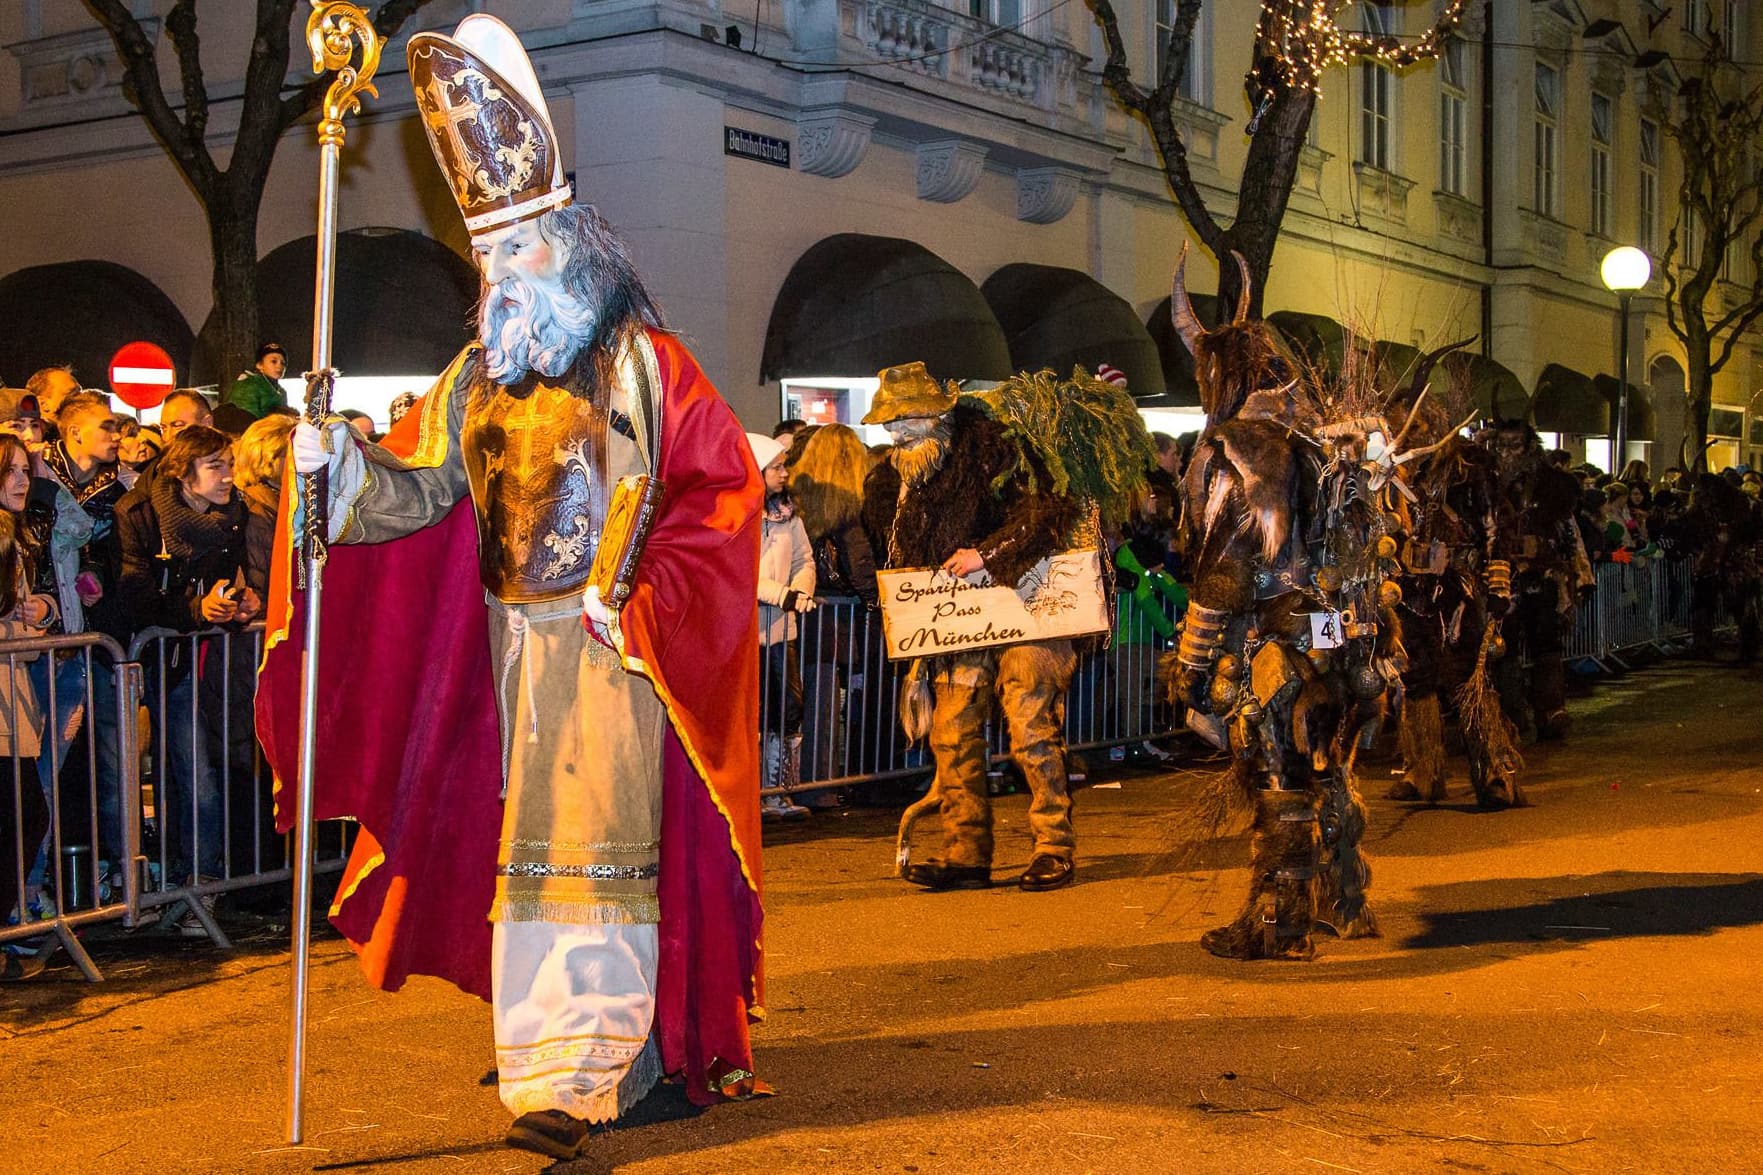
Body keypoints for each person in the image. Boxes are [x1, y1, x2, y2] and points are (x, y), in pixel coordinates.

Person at [268, 14, 765, 1160]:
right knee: (518, 847)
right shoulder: (473, 379)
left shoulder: (642, 363)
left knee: (596, 847)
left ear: (571, 243)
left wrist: (632, 595)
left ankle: (603, 1063)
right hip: (500, 649)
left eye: (519, 250)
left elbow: (712, 487)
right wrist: (334, 464)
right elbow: (415, 492)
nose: (499, 274)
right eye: (486, 257)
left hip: (609, 649)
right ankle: (545, 1042)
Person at [1164, 248, 1387, 960]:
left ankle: (1279, 923)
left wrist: (1191, 662)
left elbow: (1224, 569)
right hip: (1328, 630)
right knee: (1324, 765)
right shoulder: (1313, 440)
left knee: (1277, 774)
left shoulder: (1238, 449)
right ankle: (1340, 902)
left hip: (1271, 639)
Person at [861, 361, 1081, 893]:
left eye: (910, 421)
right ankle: (965, 852)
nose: (899, 434)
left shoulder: (994, 448)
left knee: (1030, 724)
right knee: (952, 731)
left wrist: (987, 553)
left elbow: (1048, 509)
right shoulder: (892, 482)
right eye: (893, 425)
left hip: (1027, 605)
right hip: (959, 622)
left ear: (939, 415)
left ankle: (1053, 845)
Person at [116, 425, 262, 928]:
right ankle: (174, 888)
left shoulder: (232, 516)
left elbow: (236, 579)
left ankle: (201, 887)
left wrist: (241, 602)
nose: (228, 477)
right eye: (215, 466)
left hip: (205, 661)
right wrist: (195, 609)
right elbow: (133, 592)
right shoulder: (138, 514)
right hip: (157, 659)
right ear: (185, 473)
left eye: (230, 464)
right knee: (174, 779)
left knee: (199, 775)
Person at [0, 434, 60, 946]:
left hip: (13, 697)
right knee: (24, 817)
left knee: (25, 817)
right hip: (1, 704)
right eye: (11, 470)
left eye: (25, 469)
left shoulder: (14, 538)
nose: (22, 480)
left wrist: (41, 612)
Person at [752, 432, 816, 820]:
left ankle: (778, 790)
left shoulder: (788, 516)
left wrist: (801, 590)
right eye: (776, 467)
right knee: (753, 714)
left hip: (780, 630)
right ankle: (752, 792)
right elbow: (736, 571)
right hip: (745, 632)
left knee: (787, 708)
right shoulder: (735, 516)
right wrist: (782, 594)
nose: (784, 473)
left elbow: (804, 560)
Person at [222, 343, 289, 421]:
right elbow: (245, 418)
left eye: (283, 363)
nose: (279, 366)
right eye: (273, 361)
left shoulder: (281, 391)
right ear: (259, 365)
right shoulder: (248, 384)